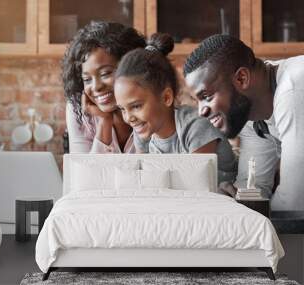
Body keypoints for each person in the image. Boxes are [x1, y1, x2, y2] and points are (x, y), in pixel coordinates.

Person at [183, 34, 304, 210]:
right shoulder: (251, 112)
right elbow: (254, 188)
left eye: (207, 97)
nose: (202, 111)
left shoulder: (293, 90)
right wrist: (233, 199)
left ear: (241, 79)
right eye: (198, 100)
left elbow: (294, 202)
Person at [114, 33, 237, 184]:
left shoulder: (195, 127)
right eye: (122, 109)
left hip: (216, 198)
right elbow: (143, 180)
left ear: (166, 97)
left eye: (136, 106)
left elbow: (196, 186)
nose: (128, 118)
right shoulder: (143, 132)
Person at [62, 21, 146, 153]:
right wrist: (104, 123)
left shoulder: (152, 102)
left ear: (131, 67)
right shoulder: (77, 108)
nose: (96, 87)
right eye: (87, 79)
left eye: (105, 73)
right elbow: (84, 172)